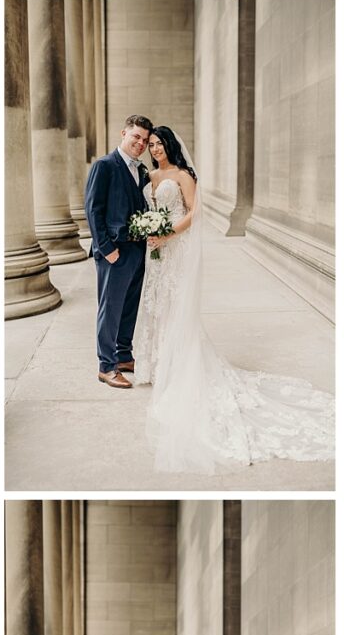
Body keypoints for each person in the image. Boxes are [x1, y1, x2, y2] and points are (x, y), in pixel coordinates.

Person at [133, 126, 334, 474]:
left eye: (160, 143)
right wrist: (149, 231)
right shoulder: (149, 175)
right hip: (157, 255)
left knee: (177, 306)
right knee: (158, 306)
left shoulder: (182, 175)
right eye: (151, 144)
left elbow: (195, 213)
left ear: (171, 145)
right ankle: (157, 360)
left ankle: (179, 363)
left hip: (175, 249)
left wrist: (166, 233)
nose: (155, 148)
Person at [84, 114, 154, 389]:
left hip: (137, 250)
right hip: (113, 251)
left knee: (129, 307)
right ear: (123, 134)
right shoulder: (104, 165)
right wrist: (106, 248)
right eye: (136, 136)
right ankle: (106, 366)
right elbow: (93, 210)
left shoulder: (143, 171)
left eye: (145, 140)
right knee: (110, 309)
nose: (140, 143)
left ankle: (124, 355)